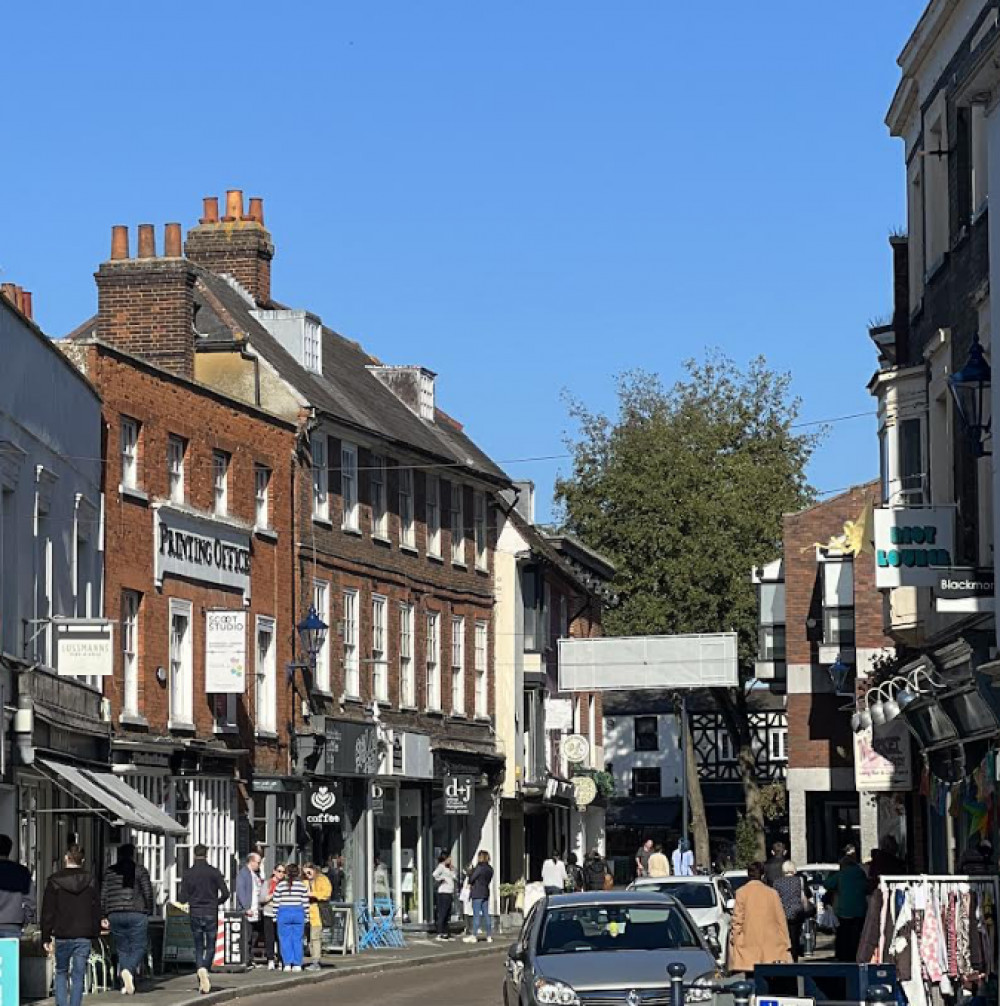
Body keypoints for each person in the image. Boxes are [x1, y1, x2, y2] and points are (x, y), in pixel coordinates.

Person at [41, 845, 101, 1006]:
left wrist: (45, 936)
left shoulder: (54, 880)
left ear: (66, 858)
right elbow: (96, 908)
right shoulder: (91, 880)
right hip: (84, 934)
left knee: (61, 972)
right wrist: (96, 932)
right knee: (78, 975)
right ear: (83, 860)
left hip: (62, 934)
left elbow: (48, 911)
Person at [101, 843, 154, 995]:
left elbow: (103, 895)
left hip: (115, 913)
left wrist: (104, 914)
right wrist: (148, 910)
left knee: (122, 948)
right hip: (137, 911)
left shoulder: (109, 872)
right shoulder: (140, 870)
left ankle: (126, 983)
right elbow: (147, 892)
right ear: (133, 855)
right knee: (140, 946)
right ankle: (128, 970)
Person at [178, 843, 230, 995]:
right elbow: (226, 893)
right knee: (211, 945)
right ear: (207, 854)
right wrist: (215, 902)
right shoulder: (214, 872)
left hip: (195, 911)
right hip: (210, 911)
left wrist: (188, 899)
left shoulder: (188, 873)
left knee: (198, 945)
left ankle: (200, 968)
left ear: (194, 854)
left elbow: (182, 898)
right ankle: (205, 968)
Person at [728, 861, 792, 974]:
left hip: (749, 941)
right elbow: (780, 919)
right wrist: (786, 941)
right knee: (769, 976)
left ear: (748, 875)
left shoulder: (741, 892)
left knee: (751, 976)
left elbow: (737, 920)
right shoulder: (772, 893)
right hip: (771, 943)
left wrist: (735, 939)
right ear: (763, 875)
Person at [824, 847, 868, 963]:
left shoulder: (841, 874)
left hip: (844, 911)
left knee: (843, 934)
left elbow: (827, 884)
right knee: (857, 934)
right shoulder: (861, 873)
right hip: (859, 910)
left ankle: (843, 955)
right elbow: (867, 887)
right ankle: (856, 954)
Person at [273, 863, 309, 971]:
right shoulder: (302, 886)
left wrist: (275, 916)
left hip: (284, 912)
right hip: (298, 912)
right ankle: (297, 964)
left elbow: (276, 902)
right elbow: (305, 903)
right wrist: (307, 916)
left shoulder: (280, 885)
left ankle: (287, 963)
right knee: (297, 939)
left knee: (285, 939)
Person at [772, 860, 809, 963]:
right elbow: (802, 897)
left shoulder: (777, 882)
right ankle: (794, 957)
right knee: (795, 936)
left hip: (783, 913)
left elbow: (775, 898)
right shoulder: (799, 880)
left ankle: (785, 957)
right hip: (797, 912)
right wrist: (806, 909)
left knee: (784, 937)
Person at [0, 833, 35, 938]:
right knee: (9, 954)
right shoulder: (21, 871)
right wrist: (25, 918)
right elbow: (31, 900)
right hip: (13, 923)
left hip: (13, 921)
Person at [235, 852, 263, 966]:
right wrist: (246, 908)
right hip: (248, 910)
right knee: (247, 936)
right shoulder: (243, 873)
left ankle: (250, 959)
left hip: (256, 910)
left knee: (254, 936)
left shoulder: (255, 874)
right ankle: (245, 960)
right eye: (258, 862)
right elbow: (240, 891)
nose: (259, 865)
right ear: (251, 861)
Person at [302, 862, 331, 970]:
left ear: (314, 870)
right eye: (305, 873)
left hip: (318, 914)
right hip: (306, 913)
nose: (307, 875)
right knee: (309, 939)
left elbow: (326, 893)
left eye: (309, 872)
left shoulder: (322, 879)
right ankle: (313, 960)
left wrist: (313, 894)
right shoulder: (304, 881)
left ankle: (316, 961)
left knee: (316, 938)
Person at [463, 850, 494, 943]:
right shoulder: (490, 869)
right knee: (486, 914)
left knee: (476, 914)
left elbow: (472, 878)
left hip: (477, 893)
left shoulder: (479, 868)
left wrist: (470, 873)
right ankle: (489, 936)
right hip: (485, 892)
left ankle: (474, 935)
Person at [259, 863, 284, 970]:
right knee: (269, 937)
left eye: (283, 872)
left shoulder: (285, 884)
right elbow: (262, 899)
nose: (281, 874)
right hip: (269, 912)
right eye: (279, 871)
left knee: (281, 938)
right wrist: (273, 894)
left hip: (281, 913)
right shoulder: (268, 883)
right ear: (274, 871)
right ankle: (270, 960)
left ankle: (282, 960)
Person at [432, 853, 457, 941]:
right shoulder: (441, 866)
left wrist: (453, 870)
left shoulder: (449, 867)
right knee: (442, 912)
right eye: (449, 858)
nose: (450, 860)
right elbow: (434, 874)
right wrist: (441, 879)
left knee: (447, 913)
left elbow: (454, 877)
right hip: (443, 892)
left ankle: (445, 933)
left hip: (449, 892)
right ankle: (439, 933)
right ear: (445, 859)